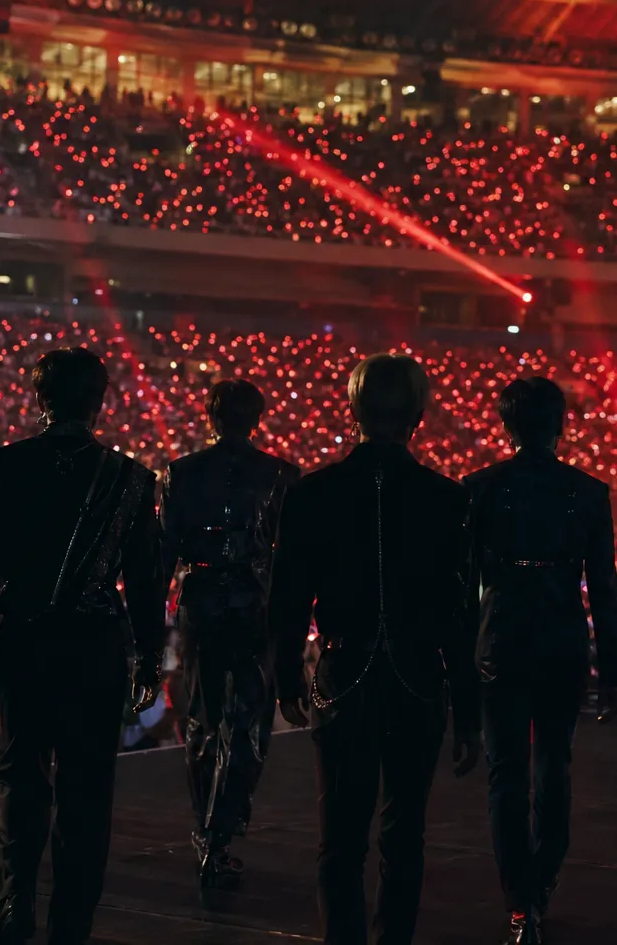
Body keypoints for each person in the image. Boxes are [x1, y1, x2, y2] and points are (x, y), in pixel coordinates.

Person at [270, 353, 479, 945]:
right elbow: (458, 616)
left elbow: (287, 598)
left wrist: (285, 678)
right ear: (419, 414)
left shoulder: (313, 494)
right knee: (403, 837)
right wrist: (469, 709)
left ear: (353, 409)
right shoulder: (446, 499)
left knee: (340, 837)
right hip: (418, 678)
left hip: (343, 676)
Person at [0, 347, 164, 945]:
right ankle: (71, 925)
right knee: (87, 788)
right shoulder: (130, 479)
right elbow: (147, 581)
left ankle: (13, 908)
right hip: (95, 648)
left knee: (22, 776)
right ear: (99, 401)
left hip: (26, 639)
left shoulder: (1, 467)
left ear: (38, 397)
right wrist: (149, 655)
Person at [463, 377, 617, 945]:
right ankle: (541, 882)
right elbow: (602, 589)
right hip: (560, 645)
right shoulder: (588, 492)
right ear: (561, 423)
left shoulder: (478, 490)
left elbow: (462, 594)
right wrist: (613, 674)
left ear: (506, 425)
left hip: (499, 645)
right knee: (553, 770)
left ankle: (518, 900)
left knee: (505, 777)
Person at [162, 379, 300, 897]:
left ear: (209, 416)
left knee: (202, 720)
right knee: (247, 726)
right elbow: (291, 563)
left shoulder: (181, 474)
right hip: (255, 611)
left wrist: (147, 637)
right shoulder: (282, 476)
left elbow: (164, 556)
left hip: (200, 610)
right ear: (256, 418)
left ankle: (207, 831)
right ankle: (220, 833)